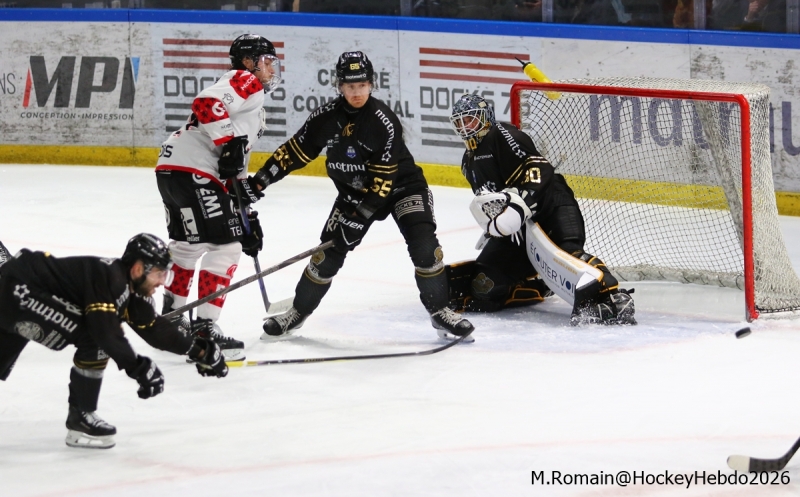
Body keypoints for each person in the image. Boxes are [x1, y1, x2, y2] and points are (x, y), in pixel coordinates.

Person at [251, 51, 474, 341]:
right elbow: (293, 152)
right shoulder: (326, 117)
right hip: (354, 195)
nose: (357, 92)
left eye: (362, 85)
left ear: (371, 84)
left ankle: (440, 311)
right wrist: (259, 181)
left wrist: (357, 220)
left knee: (425, 247)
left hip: (402, 188)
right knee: (325, 256)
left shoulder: (383, 121)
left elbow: (383, 183)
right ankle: (297, 312)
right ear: (340, 86)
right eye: (350, 86)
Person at [0, 234, 228, 449]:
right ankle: (81, 416)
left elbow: (154, 328)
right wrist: (137, 367)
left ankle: (81, 415)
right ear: (139, 269)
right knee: (93, 338)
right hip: (18, 290)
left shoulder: (129, 289)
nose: (161, 282)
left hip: (15, 287)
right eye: (159, 274)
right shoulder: (111, 279)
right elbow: (104, 332)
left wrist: (199, 350)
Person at [448, 93, 636, 326]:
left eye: (471, 119)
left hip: (550, 205)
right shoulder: (468, 164)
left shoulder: (502, 135)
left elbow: (540, 168)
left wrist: (520, 207)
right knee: (484, 288)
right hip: (520, 230)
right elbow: (491, 202)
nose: (465, 126)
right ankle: (540, 285)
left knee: (569, 256)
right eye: (460, 122)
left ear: (486, 117)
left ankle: (615, 297)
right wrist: (493, 227)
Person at [155, 33, 282, 361]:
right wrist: (231, 141)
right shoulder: (245, 81)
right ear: (249, 63)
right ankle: (204, 330)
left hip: (172, 168)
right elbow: (205, 103)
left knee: (187, 246)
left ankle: (171, 321)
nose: (271, 68)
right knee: (226, 246)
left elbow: (233, 166)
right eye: (266, 61)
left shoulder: (249, 103)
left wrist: (246, 217)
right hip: (196, 171)